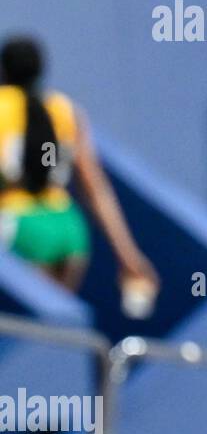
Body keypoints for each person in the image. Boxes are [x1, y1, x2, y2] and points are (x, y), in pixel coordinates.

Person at [0, 37, 156, 294]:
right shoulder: (66, 110)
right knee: (54, 324)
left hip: (18, 225)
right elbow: (95, 187)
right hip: (68, 229)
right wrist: (128, 255)